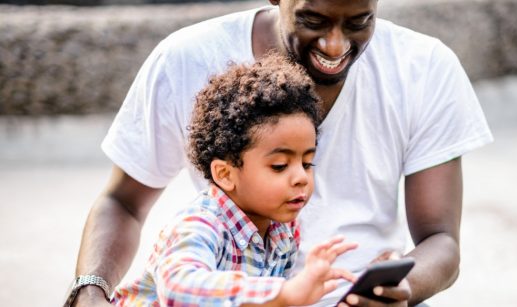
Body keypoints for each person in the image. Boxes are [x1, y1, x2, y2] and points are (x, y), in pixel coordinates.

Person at [67, 0, 494, 306]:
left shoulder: (426, 68)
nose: (334, 44)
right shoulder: (185, 61)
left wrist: (400, 285)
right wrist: (88, 292)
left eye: (359, 21)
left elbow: (442, 242)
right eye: (313, 19)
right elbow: (124, 207)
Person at [110, 54, 358, 306]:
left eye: (307, 163)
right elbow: (178, 288)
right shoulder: (201, 224)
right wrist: (283, 293)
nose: (301, 178)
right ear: (225, 174)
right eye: (280, 166)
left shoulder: (283, 231)